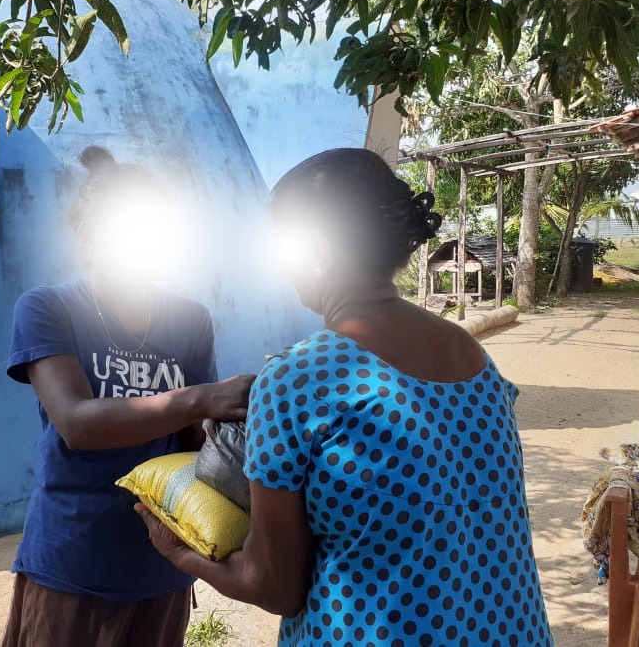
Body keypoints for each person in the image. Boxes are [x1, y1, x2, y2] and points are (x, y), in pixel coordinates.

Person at [137, 148, 553, 647]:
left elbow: (275, 586)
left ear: (315, 249)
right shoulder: (472, 356)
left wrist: (179, 553)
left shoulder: (297, 380)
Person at [3, 145, 253, 647]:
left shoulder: (190, 320)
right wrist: (200, 398)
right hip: (73, 559)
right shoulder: (48, 309)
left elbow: (195, 441)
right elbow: (77, 423)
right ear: (89, 236)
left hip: (163, 559)